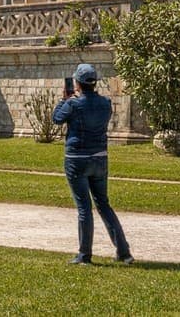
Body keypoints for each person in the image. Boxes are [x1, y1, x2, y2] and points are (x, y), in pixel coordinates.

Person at [51, 63, 133, 265]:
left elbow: (56, 119)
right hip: (100, 157)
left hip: (77, 158)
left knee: (84, 208)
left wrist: (64, 99)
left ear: (77, 83)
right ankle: (124, 252)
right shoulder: (105, 103)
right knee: (104, 204)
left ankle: (84, 254)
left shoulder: (73, 104)